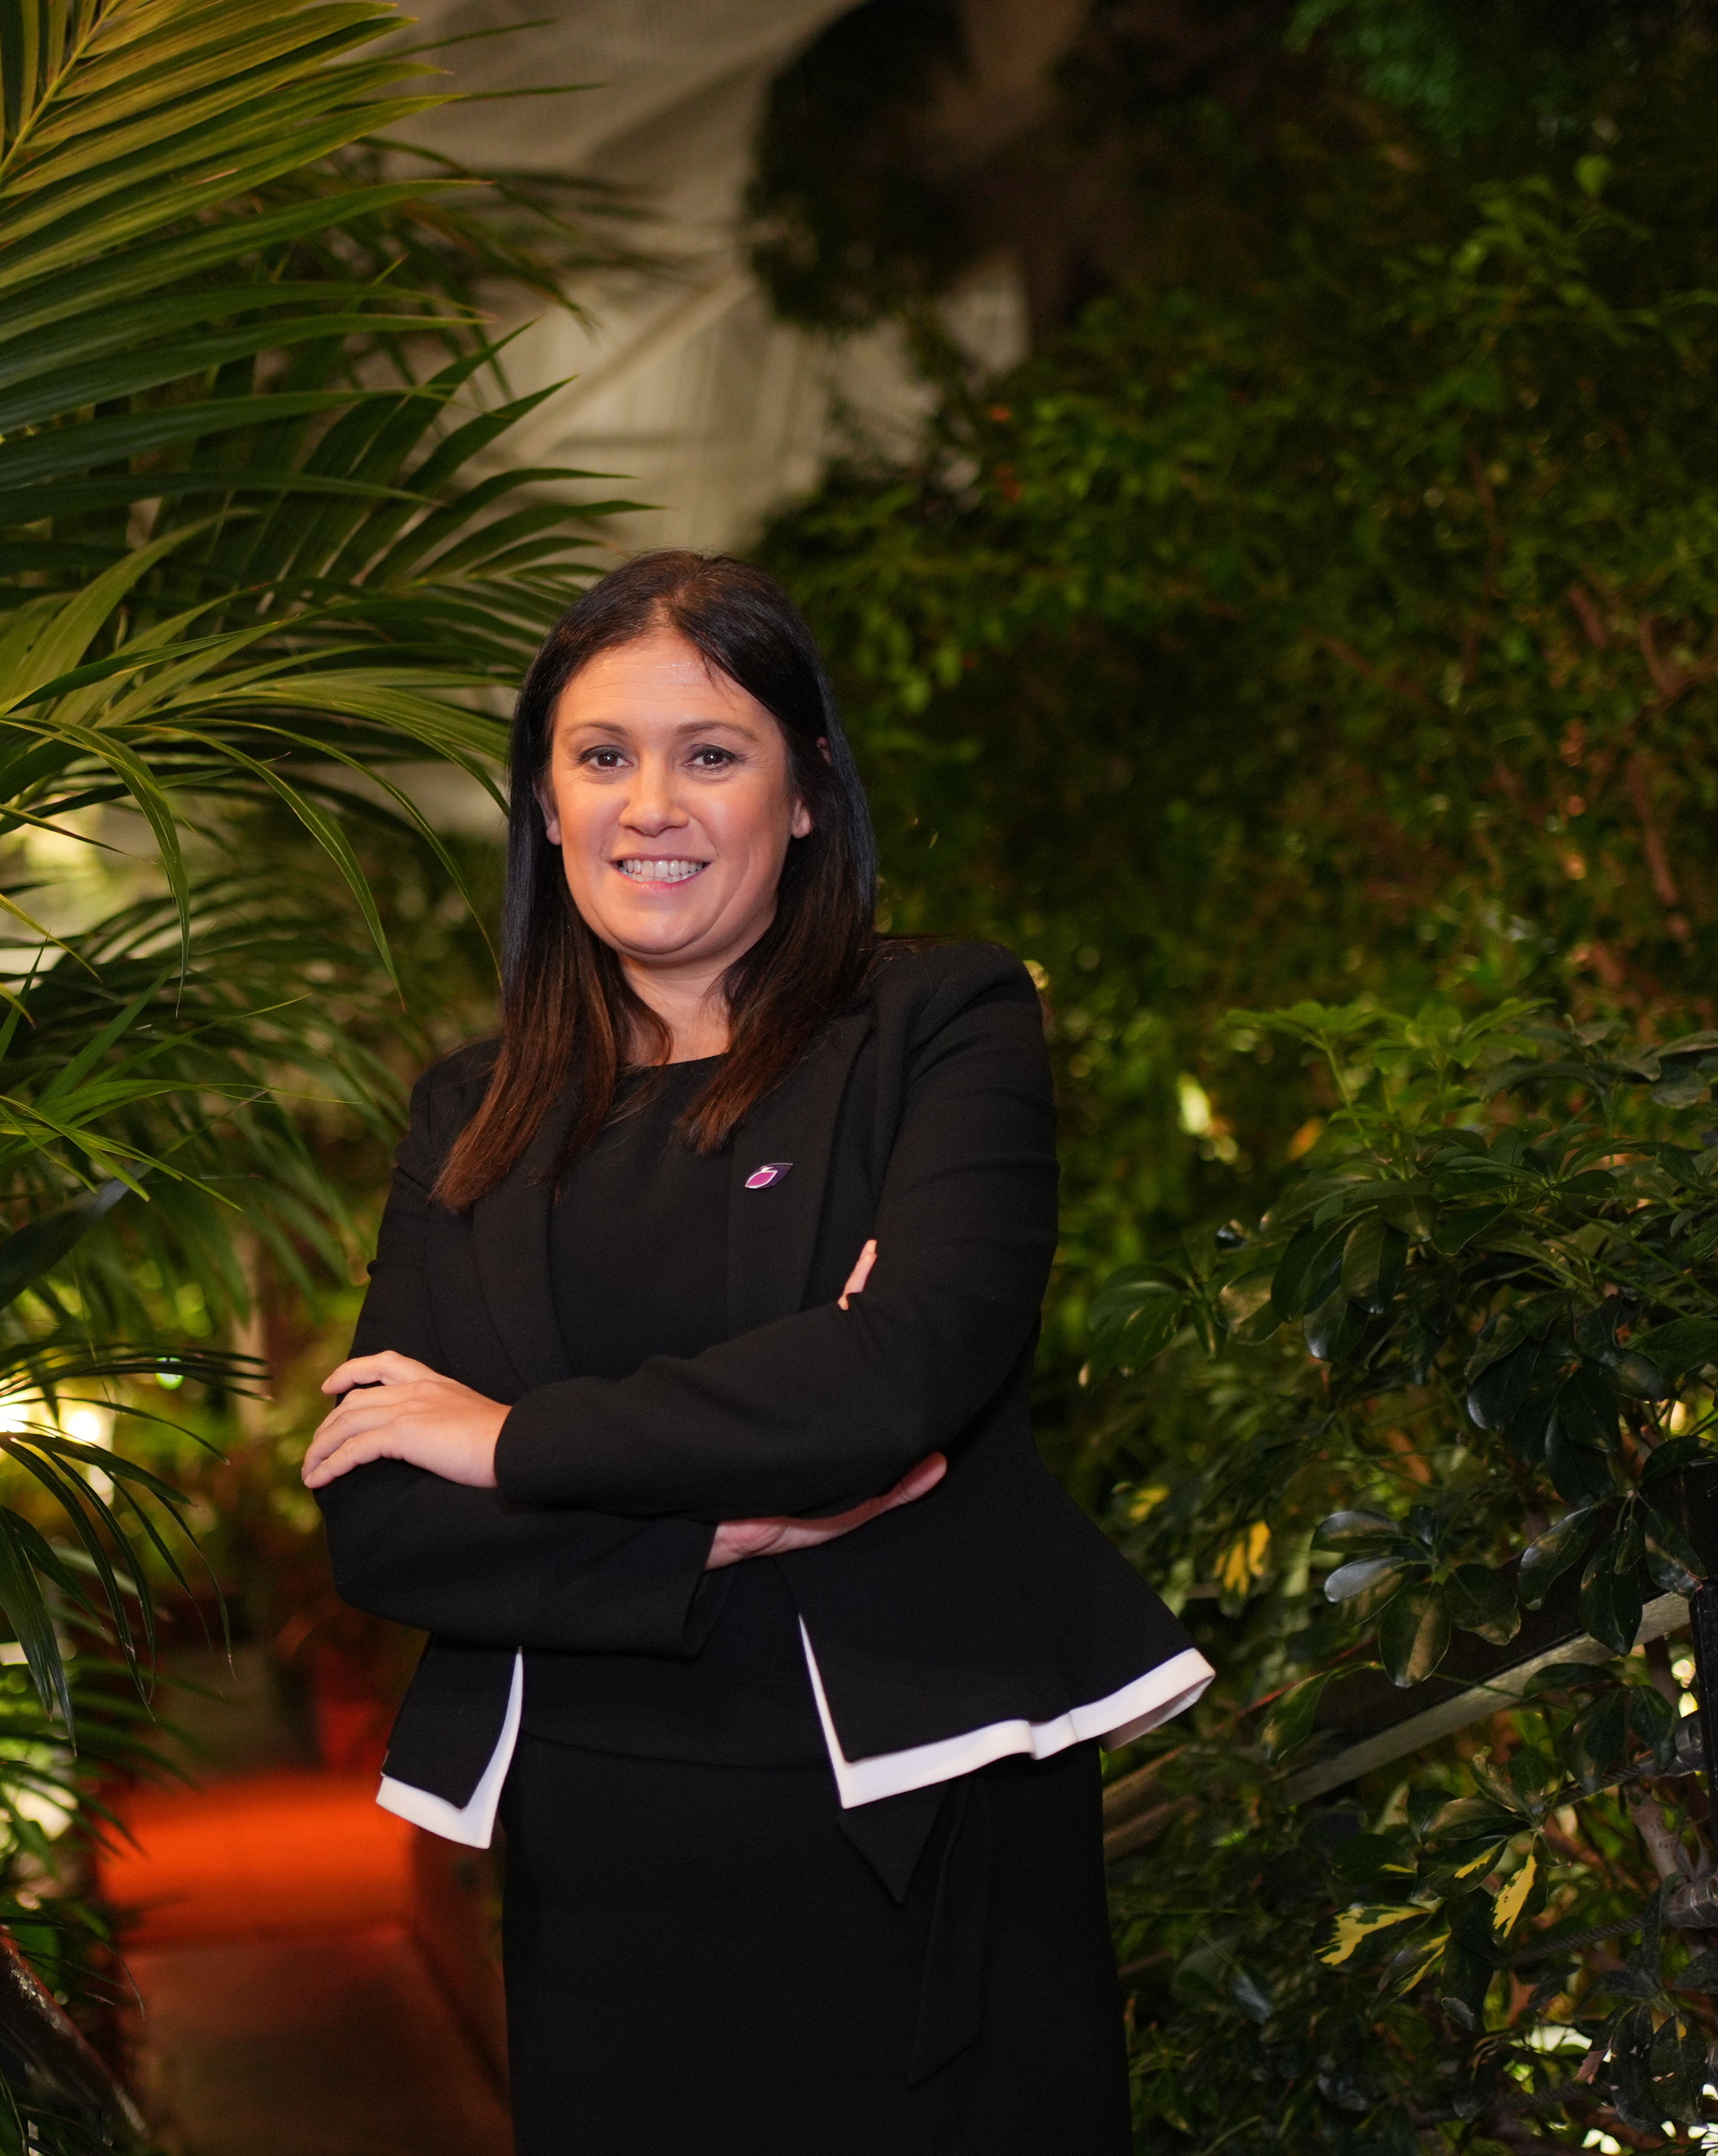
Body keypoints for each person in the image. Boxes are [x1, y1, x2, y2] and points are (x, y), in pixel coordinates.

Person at [300, 550, 1210, 2154]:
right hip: (602, 1886)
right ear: (546, 804)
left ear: (804, 797)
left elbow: (893, 1384)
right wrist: (719, 1526)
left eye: (711, 754)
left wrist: (504, 1441)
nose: (651, 804)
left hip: (921, 1839)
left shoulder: (939, 1025)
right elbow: (382, 1517)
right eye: (603, 756)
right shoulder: (470, 1113)